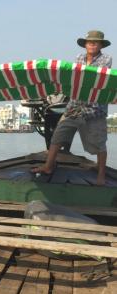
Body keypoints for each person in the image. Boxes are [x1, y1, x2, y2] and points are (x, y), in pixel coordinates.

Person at [31, 30, 112, 185]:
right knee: (58, 135)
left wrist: (76, 78)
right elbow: (75, 78)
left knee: (98, 144)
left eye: (96, 42)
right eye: (89, 42)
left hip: (94, 109)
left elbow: (93, 77)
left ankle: (100, 174)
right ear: (85, 45)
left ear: (101, 45)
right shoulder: (79, 58)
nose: (92, 44)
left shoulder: (106, 59)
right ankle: (48, 166)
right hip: (74, 106)